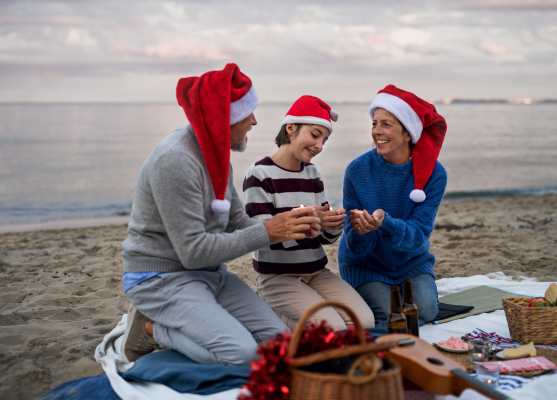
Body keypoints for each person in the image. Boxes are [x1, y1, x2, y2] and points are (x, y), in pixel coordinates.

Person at [120, 64, 322, 365]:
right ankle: (152, 329)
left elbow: (237, 223)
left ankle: (192, 317)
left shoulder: (218, 157)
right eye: (247, 114)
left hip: (210, 275)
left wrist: (289, 228)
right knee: (241, 355)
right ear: (223, 119)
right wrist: (270, 231)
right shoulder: (175, 161)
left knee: (281, 345)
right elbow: (193, 252)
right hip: (160, 278)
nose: (255, 122)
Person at [243, 95, 375, 331]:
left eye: (324, 140)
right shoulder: (259, 174)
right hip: (278, 277)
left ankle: (300, 317)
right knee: (333, 328)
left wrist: (333, 224)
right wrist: (313, 220)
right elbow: (259, 237)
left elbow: (324, 239)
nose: (319, 146)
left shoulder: (312, 173)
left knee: (364, 322)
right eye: (315, 135)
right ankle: (269, 311)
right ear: (291, 128)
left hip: (316, 271)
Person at [338, 85, 448, 326]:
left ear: (408, 133)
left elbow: (418, 234)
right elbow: (355, 247)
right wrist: (361, 230)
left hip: (411, 261)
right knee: (392, 318)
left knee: (424, 312)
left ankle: (414, 293)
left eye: (386, 124)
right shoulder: (356, 171)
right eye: (374, 123)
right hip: (366, 265)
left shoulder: (434, 174)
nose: (377, 131)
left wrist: (385, 223)